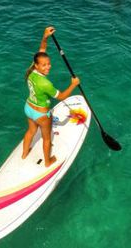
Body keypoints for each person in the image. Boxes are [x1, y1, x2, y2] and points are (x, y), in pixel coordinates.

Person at [22, 26, 80, 168]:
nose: (48, 67)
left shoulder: (31, 71)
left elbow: (41, 51)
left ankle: (24, 154)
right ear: (37, 65)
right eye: (44, 65)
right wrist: (73, 84)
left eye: (48, 64)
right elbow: (61, 97)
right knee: (47, 139)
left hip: (28, 108)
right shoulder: (45, 83)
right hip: (42, 114)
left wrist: (45, 37)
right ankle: (48, 162)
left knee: (31, 131)